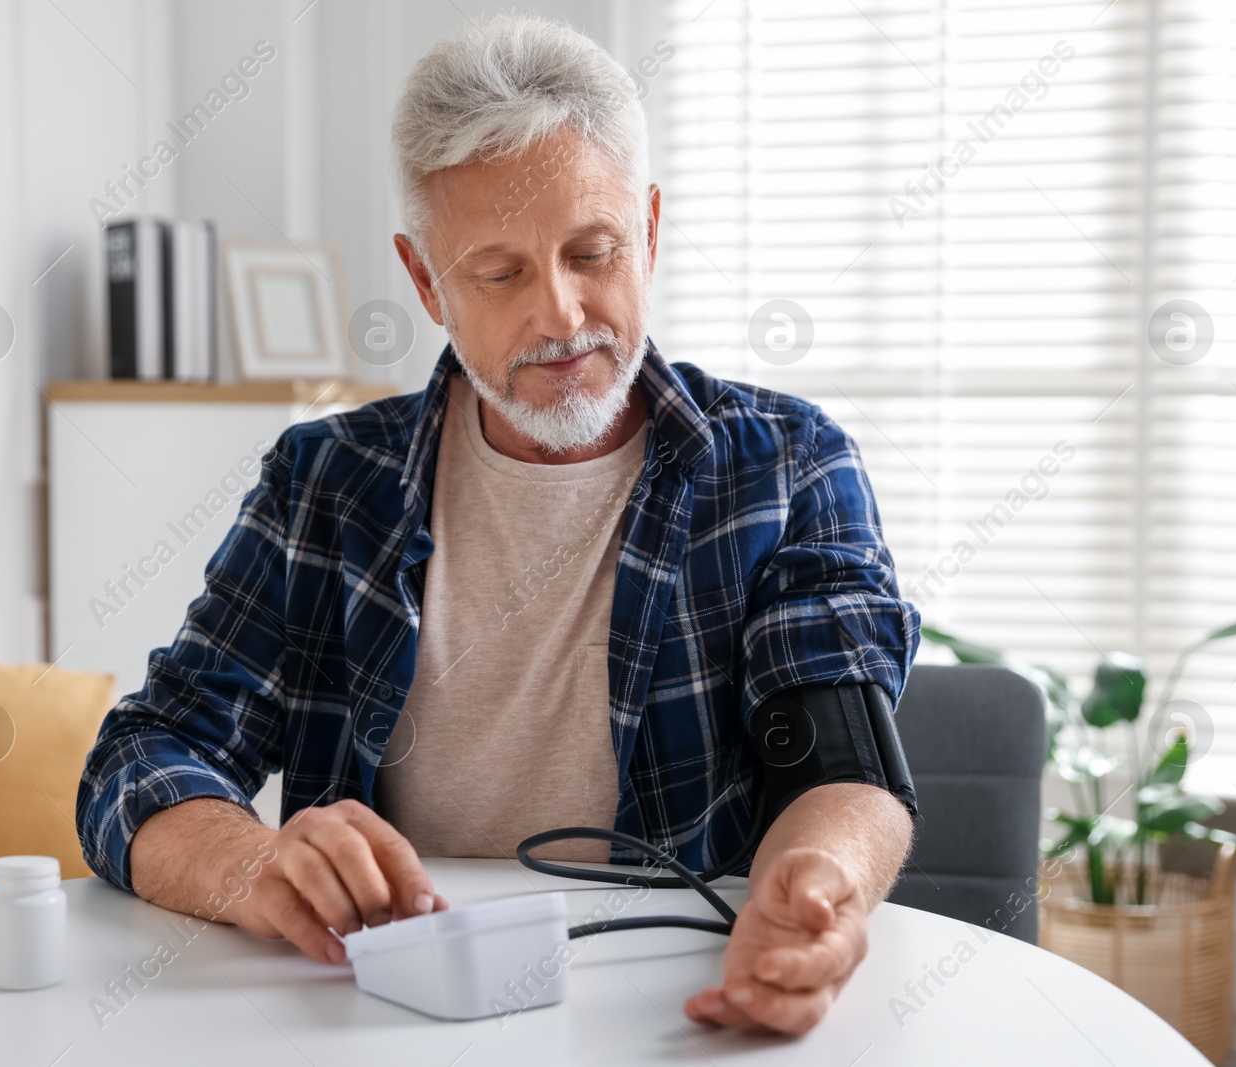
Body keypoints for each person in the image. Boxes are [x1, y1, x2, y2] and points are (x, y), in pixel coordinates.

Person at [76, 13, 920, 1037]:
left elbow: (843, 768)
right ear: (427, 281)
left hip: (671, 1007)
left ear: (648, 230)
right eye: (500, 272)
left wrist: (813, 885)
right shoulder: (327, 479)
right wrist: (251, 860)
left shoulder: (786, 463)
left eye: (591, 250)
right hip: (382, 1010)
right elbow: (147, 753)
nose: (561, 315)